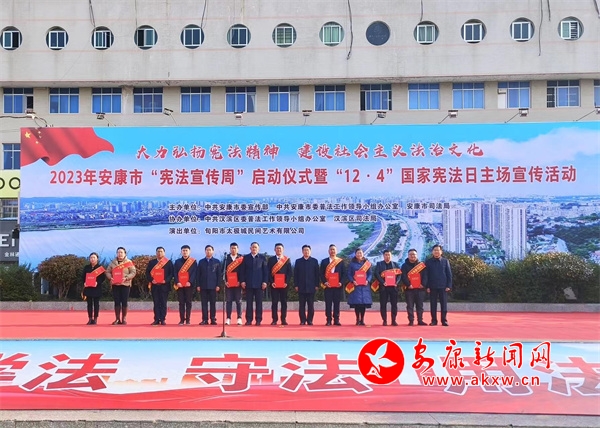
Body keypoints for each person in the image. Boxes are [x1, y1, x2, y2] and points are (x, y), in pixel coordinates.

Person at [106, 247, 136, 325]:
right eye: (118, 252)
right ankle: (117, 319)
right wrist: (110, 277)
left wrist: (126, 278)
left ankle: (124, 318)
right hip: (115, 284)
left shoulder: (129, 262)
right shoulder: (112, 262)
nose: (120, 254)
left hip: (125, 284)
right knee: (117, 302)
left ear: (125, 253)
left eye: (121, 252)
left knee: (124, 301)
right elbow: (107, 271)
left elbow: (133, 272)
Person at [240, 242, 268, 326]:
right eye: (253, 247)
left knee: (259, 303)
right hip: (248, 284)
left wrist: (265, 282)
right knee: (249, 303)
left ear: (258, 249)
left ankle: (258, 320)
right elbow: (242, 271)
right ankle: (249, 320)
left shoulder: (262, 258)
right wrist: (242, 281)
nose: (254, 249)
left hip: (259, 284)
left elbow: (265, 271)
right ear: (250, 248)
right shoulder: (246, 258)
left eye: (256, 247)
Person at [424, 244, 452, 326]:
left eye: (438, 250)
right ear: (432, 252)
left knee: (444, 304)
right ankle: (434, 321)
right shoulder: (428, 262)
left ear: (441, 252)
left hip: (443, 286)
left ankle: (444, 320)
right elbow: (426, 275)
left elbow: (449, 274)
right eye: (435, 250)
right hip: (432, 286)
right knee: (433, 305)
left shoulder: (445, 261)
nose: (436, 251)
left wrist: (449, 285)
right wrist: (427, 286)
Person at [146, 246, 174, 326]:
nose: (159, 253)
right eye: (158, 251)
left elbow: (171, 274)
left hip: (164, 286)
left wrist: (165, 280)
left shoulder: (168, 262)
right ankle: (156, 319)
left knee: (163, 303)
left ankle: (163, 319)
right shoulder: (152, 262)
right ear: (156, 253)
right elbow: (147, 273)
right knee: (156, 303)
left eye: (161, 251)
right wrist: (152, 280)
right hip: (155, 286)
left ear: (164, 253)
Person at [374, 249, 402, 326]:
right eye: (386, 255)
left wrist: (396, 282)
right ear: (383, 256)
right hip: (384, 287)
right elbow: (376, 274)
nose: (387, 256)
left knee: (394, 304)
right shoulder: (379, 264)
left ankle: (393, 320)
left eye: (389, 255)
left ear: (391, 256)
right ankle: (384, 320)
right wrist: (383, 282)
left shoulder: (395, 264)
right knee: (383, 304)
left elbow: (399, 275)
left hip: (393, 288)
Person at [293, 245, 320, 326]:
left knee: (311, 305)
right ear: (302, 251)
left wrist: (317, 285)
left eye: (307, 250)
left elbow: (317, 274)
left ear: (310, 251)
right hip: (301, 286)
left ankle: (310, 320)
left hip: (311, 286)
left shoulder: (314, 261)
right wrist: (296, 285)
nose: (306, 251)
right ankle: (302, 320)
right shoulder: (298, 261)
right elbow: (295, 274)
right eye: (304, 250)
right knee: (302, 305)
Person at [401, 248, 428, 326]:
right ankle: (411, 320)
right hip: (409, 289)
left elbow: (425, 276)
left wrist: (423, 284)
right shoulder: (404, 266)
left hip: (420, 289)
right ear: (408, 255)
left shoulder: (421, 265)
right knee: (410, 306)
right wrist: (408, 285)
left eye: (414, 254)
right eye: (411, 254)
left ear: (417, 255)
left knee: (420, 305)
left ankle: (420, 320)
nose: (412, 256)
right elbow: (403, 277)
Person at [320, 244, 346, 326]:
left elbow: (344, 274)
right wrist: (325, 282)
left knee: (336, 303)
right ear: (328, 251)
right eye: (331, 249)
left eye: (334, 249)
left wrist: (341, 282)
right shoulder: (324, 261)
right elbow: (321, 274)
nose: (332, 251)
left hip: (337, 286)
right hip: (328, 286)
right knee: (328, 304)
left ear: (336, 251)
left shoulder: (340, 261)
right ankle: (328, 320)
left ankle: (336, 320)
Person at [267, 243, 292, 325]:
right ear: (274, 250)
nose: (279, 250)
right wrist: (272, 282)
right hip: (274, 285)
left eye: (280, 248)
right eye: (277, 248)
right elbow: (268, 272)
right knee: (274, 302)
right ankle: (274, 319)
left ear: (283, 250)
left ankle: (283, 319)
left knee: (284, 302)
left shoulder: (287, 260)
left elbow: (289, 272)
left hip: (284, 285)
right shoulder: (271, 260)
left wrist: (286, 282)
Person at [346, 248, 373, 326]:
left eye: (360, 253)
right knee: (357, 304)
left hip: (364, 286)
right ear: (355, 254)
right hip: (356, 286)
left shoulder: (367, 264)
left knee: (363, 304)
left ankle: (362, 320)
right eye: (358, 253)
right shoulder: (352, 264)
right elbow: (349, 274)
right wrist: (352, 281)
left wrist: (368, 280)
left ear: (363, 254)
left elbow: (370, 274)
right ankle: (357, 319)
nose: (359, 254)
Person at [197, 244, 222, 325]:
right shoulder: (201, 262)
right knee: (204, 303)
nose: (208, 251)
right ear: (205, 251)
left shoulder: (217, 262)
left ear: (213, 251)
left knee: (213, 303)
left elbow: (219, 275)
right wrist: (198, 285)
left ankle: (213, 319)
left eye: (210, 250)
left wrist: (218, 285)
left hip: (213, 286)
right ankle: (205, 319)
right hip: (203, 286)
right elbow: (198, 275)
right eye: (207, 250)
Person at [174, 244, 197, 325]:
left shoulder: (193, 262)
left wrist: (190, 282)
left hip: (189, 285)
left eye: (186, 250)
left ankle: (188, 319)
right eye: (183, 251)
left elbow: (194, 273)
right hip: (180, 285)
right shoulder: (177, 262)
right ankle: (181, 319)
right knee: (181, 303)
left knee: (188, 302)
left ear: (189, 251)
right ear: (181, 252)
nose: (185, 252)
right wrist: (177, 282)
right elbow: (175, 273)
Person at [81, 252, 106, 325]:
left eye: (94, 257)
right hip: (88, 288)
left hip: (96, 288)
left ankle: (95, 319)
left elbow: (103, 278)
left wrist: (97, 282)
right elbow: (83, 277)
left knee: (96, 304)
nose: (92, 259)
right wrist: (84, 282)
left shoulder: (100, 268)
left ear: (97, 259)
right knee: (89, 304)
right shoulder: (86, 267)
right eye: (91, 257)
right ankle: (90, 318)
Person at [224, 242, 244, 326]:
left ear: (238, 249)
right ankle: (228, 318)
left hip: (238, 283)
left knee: (238, 301)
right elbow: (223, 271)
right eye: (232, 248)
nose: (233, 250)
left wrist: (240, 281)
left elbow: (243, 271)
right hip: (229, 283)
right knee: (228, 301)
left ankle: (239, 318)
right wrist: (225, 281)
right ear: (230, 249)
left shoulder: (241, 258)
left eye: (235, 248)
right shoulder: (226, 258)